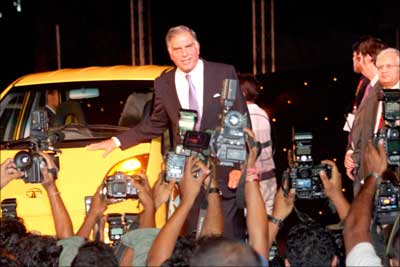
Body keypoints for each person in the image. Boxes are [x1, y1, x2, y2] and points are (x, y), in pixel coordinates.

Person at [86, 25, 249, 239]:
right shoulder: (164, 83)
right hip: (188, 173)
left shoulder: (223, 72)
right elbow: (155, 123)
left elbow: (240, 121)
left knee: (225, 234)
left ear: (197, 47)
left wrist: (239, 166)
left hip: (224, 170)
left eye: (188, 46)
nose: (184, 53)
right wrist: (116, 141)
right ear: (171, 53)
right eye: (178, 49)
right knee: (194, 233)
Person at [346, 47, 400, 195]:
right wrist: (353, 154)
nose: (383, 70)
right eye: (380, 66)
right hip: (371, 174)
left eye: (389, 66)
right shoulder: (373, 95)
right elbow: (362, 131)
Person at [238, 73, 277, 215]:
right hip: (268, 176)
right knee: (266, 223)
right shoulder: (262, 112)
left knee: (253, 225)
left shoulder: (244, 116)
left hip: (254, 178)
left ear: (242, 92)